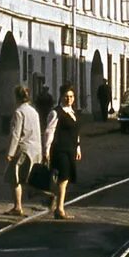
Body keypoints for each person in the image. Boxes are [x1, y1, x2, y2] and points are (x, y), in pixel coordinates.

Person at [43, 83, 81, 220]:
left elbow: (76, 132)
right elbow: (49, 132)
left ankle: (55, 201)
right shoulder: (56, 112)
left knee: (66, 178)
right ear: (61, 96)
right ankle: (59, 208)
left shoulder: (73, 112)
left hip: (70, 149)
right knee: (63, 178)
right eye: (66, 96)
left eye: (71, 96)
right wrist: (46, 150)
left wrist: (78, 147)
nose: (69, 99)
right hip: (59, 150)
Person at [4, 84, 41, 217]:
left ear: (16, 97)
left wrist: (10, 152)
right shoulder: (34, 111)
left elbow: (16, 133)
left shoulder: (19, 112)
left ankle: (17, 206)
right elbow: (37, 131)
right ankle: (47, 196)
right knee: (31, 178)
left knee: (15, 179)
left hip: (23, 149)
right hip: (35, 148)